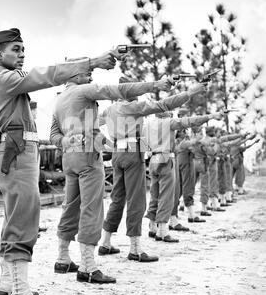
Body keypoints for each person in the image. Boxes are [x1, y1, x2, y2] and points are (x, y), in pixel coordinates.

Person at [0, 27, 116, 295]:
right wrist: (93, 62)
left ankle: (7, 285)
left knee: (15, 219)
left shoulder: (5, 80)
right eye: (15, 50)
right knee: (23, 221)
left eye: (23, 49)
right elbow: (45, 75)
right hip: (16, 155)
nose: (22, 55)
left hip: (15, 153)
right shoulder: (5, 78)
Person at [50, 71, 175, 282]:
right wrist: (160, 84)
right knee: (93, 208)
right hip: (93, 157)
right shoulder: (87, 91)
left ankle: (63, 258)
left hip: (71, 157)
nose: (90, 78)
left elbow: (55, 134)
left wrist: (71, 141)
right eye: (87, 74)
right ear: (77, 74)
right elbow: (118, 91)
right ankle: (88, 266)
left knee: (70, 206)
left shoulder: (60, 99)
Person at [99, 81, 206, 258]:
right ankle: (134, 249)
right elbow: (164, 104)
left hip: (117, 152)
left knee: (117, 198)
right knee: (137, 200)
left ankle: (106, 241)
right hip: (133, 152)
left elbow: (94, 122)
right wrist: (190, 92)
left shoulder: (110, 109)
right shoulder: (133, 107)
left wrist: (108, 144)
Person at [144, 111, 222, 240]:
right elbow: (183, 140)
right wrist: (210, 117)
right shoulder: (170, 125)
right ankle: (162, 231)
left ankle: (153, 226)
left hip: (153, 159)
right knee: (167, 195)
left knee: (155, 194)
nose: (170, 114)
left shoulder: (149, 125)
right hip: (167, 159)